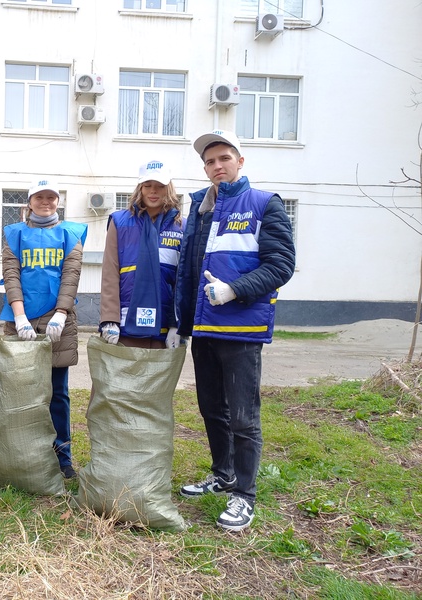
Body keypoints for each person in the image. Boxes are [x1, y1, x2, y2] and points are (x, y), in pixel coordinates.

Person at [175, 130, 295, 532]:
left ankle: (244, 495)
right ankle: (222, 474)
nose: (217, 166)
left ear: (240, 161)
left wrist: (234, 290)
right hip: (205, 329)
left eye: (224, 158)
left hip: (242, 328)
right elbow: (189, 269)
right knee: (212, 409)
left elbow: (281, 266)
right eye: (209, 162)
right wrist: (183, 321)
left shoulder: (264, 204)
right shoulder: (201, 209)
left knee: (244, 417)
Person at [0, 179, 87, 479]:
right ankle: (23, 453)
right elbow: (11, 275)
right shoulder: (14, 234)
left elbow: (71, 275)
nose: (46, 202)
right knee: (21, 390)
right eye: (40, 197)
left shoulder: (70, 234)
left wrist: (61, 314)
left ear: (58, 201)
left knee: (58, 392)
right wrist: (19, 316)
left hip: (56, 324)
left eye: (51, 197)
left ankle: (62, 457)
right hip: (21, 320)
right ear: (29, 202)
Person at [99, 160, 183, 350]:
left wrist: (177, 323)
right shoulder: (119, 222)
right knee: (122, 379)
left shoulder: (182, 227)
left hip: (165, 325)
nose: (153, 191)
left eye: (160, 186)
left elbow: (183, 280)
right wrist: (109, 319)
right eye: (147, 186)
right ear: (140, 188)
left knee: (159, 379)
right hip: (125, 323)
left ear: (168, 188)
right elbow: (110, 273)